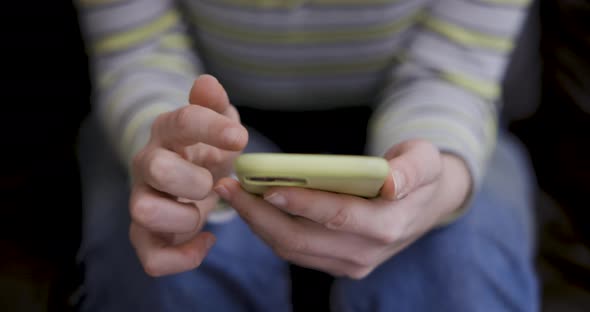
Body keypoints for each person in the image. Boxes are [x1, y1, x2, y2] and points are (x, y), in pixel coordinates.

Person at [75, 0, 538, 311]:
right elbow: (140, 49)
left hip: (433, 114)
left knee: (462, 266)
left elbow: (453, 68)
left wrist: (439, 181)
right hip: (202, 111)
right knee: (171, 266)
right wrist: (175, 148)